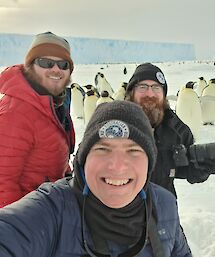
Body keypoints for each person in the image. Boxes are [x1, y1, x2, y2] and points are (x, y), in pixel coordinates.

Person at [0, 101, 192, 257]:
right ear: (84, 159)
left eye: (133, 151)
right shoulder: (54, 208)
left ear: (149, 163)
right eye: (102, 149)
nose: (117, 165)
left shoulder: (164, 205)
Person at [125, 63, 215, 198]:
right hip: (120, 214)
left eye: (156, 88)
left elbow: (183, 168)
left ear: (163, 94)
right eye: (143, 87)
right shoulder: (114, 125)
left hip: (164, 209)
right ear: (131, 92)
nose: (150, 93)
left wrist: (202, 167)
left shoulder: (175, 128)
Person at [0, 31, 75, 207]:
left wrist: (68, 177)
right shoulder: (17, 112)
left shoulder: (52, 104)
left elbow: (50, 153)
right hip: (29, 218)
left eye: (63, 64)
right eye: (46, 63)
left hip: (47, 209)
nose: (56, 69)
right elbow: (3, 181)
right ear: (30, 66)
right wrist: (16, 228)